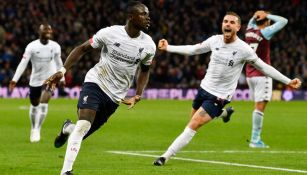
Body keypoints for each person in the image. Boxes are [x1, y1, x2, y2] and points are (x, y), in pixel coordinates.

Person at [153, 11, 301, 166]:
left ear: (238, 27)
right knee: (191, 121)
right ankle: (224, 113)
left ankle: (164, 156)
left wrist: (288, 81)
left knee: (194, 124)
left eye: (232, 22)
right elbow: (193, 49)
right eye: (225, 21)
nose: (227, 24)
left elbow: (264, 67)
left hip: (220, 96)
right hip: (204, 89)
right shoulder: (215, 40)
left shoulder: (244, 49)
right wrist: (169, 47)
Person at [44, 1, 155, 174]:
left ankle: (67, 128)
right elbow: (82, 49)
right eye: (143, 14)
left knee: (81, 131)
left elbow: (145, 70)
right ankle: (66, 171)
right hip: (96, 82)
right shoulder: (110, 33)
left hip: (115, 96)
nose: (148, 18)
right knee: (83, 125)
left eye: (148, 14)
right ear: (131, 17)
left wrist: (138, 94)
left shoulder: (149, 45)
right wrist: (62, 70)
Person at [9, 23, 64, 143]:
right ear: (39, 32)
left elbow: (59, 62)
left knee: (44, 102)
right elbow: (23, 63)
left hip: (51, 77)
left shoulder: (55, 46)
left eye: (50, 29)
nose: (49, 31)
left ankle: (37, 130)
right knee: (34, 105)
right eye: (46, 30)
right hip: (35, 79)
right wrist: (14, 79)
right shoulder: (31, 47)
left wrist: (62, 78)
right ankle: (33, 127)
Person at [245, 11, 288, 148]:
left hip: (249, 74)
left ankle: (255, 139)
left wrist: (255, 15)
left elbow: (252, 22)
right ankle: (255, 140)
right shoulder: (265, 32)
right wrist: (268, 15)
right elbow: (283, 21)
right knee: (260, 108)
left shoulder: (248, 30)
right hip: (262, 75)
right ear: (266, 22)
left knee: (256, 107)